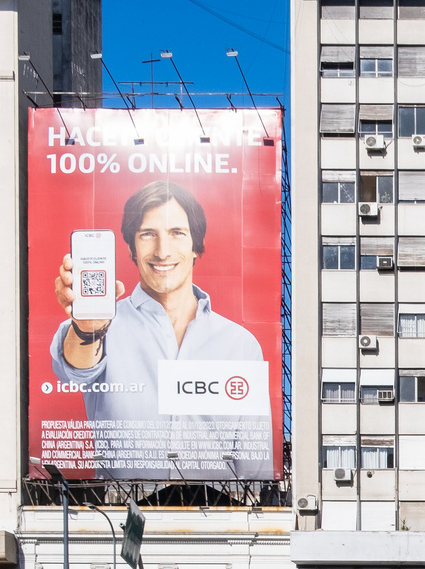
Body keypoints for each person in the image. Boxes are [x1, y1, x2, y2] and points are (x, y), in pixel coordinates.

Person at [49, 180, 269, 480]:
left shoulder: (241, 345)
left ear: (195, 245)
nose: (162, 251)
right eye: (148, 234)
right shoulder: (104, 325)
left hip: (217, 520)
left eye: (177, 233)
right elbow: (75, 368)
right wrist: (88, 328)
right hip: (124, 518)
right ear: (131, 246)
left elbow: (254, 462)